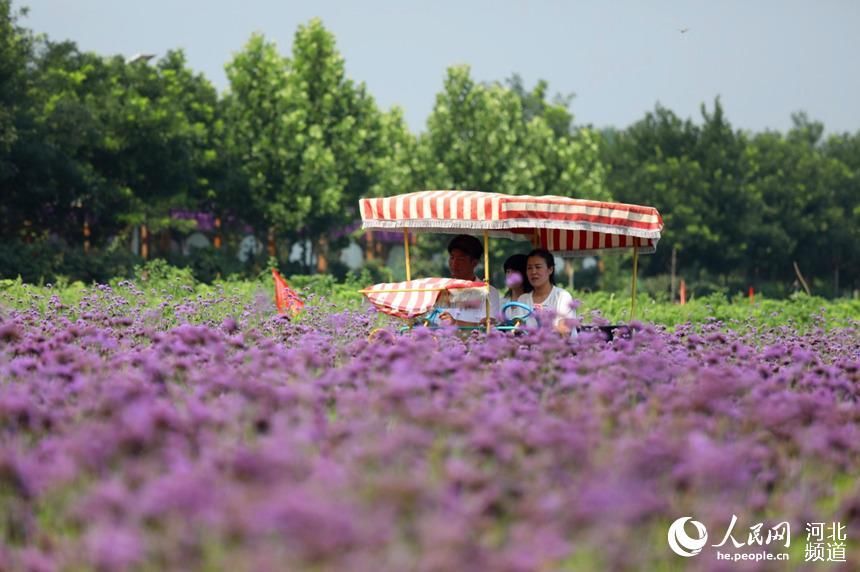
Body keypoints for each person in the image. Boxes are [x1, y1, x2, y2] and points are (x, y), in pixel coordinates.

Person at [437, 234, 501, 327]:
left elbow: (488, 328)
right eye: (452, 257)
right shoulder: (441, 290)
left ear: (474, 263)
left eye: (461, 259)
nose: (454, 264)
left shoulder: (489, 292)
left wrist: (455, 324)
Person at [517, 248, 577, 336]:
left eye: (538, 267)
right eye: (529, 268)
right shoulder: (522, 300)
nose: (533, 272)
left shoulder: (562, 296)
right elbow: (520, 331)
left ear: (550, 269)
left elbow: (565, 333)